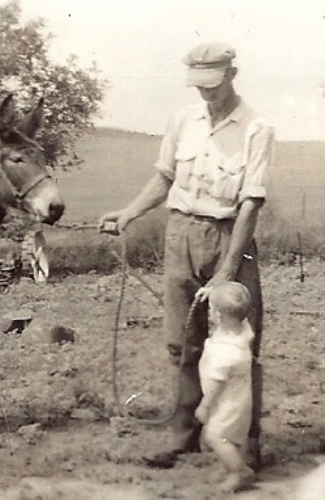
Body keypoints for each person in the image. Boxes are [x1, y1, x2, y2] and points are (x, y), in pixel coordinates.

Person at [99, 42, 274, 469]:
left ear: (232, 74)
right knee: (182, 343)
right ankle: (183, 437)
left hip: (229, 238)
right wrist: (128, 213)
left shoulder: (256, 128)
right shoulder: (183, 120)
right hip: (181, 236)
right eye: (198, 86)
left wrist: (228, 270)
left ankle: (246, 447)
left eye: (212, 85)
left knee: (238, 344)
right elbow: (165, 178)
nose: (205, 94)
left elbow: (251, 203)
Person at [195, 282, 255, 492]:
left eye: (211, 308)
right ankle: (232, 466)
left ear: (217, 316)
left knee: (216, 435)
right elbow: (236, 312)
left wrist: (204, 405)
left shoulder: (225, 354)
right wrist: (216, 295)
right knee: (235, 436)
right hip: (240, 400)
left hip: (225, 401)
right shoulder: (243, 332)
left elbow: (215, 385)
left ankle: (239, 471)